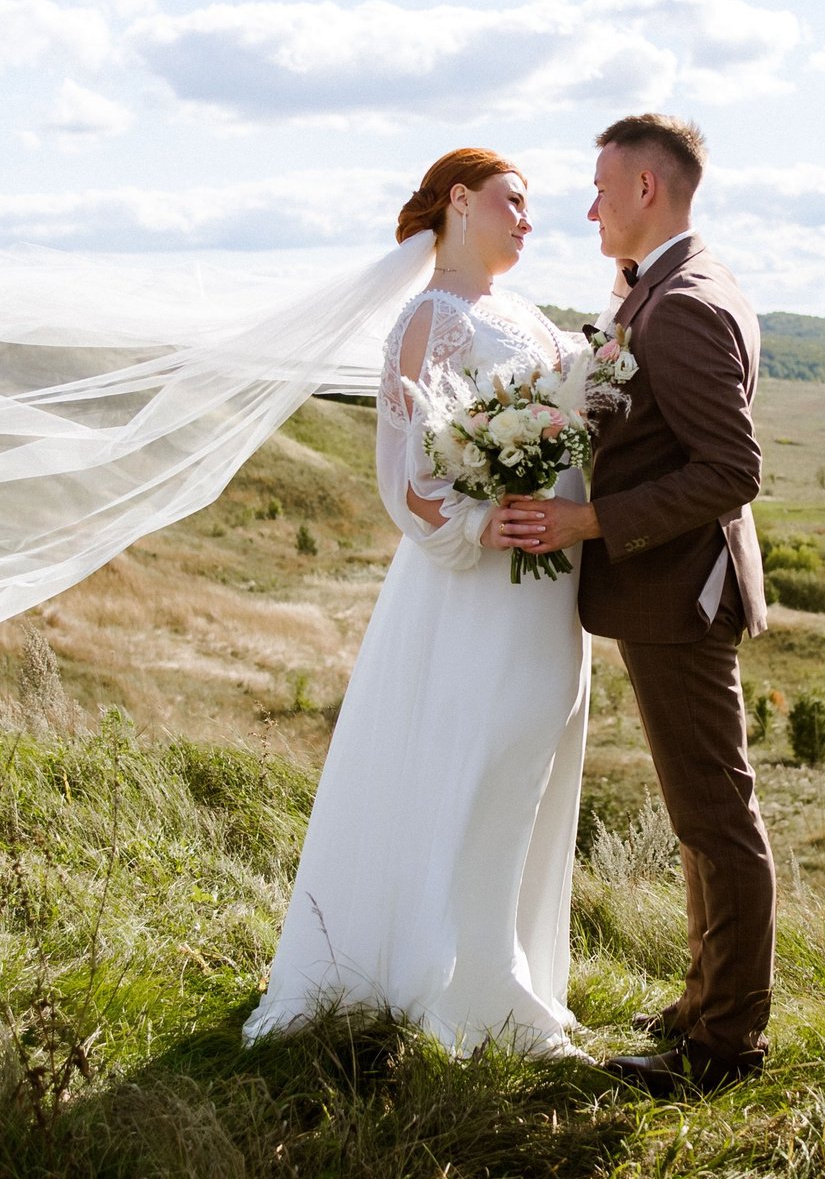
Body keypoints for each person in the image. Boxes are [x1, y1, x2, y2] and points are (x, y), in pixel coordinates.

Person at [243, 148, 597, 1055]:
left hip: (548, 585)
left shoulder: (522, 314)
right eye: (513, 201)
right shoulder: (430, 319)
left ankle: (506, 963)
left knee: (530, 763)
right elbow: (406, 482)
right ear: (459, 201)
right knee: (476, 762)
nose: (529, 218)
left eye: (531, 206)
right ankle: (474, 988)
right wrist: (486, 522)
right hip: (476, 590)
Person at [496, 113, 772, 1095]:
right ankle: (705, 1002)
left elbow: (730, 470)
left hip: (680, 594)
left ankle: (724, 1048)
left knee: (715, 818)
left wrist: (590, 524)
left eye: (601, 188)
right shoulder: (667, 286)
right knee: (703, 817)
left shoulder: (685, 301)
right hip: (669, 591)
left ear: (646, 189)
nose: (588, 208)